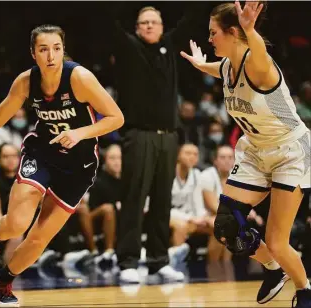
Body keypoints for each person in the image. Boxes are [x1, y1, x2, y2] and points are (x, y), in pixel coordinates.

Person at [0, 24, 124, 307]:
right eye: (43, 49)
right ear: (33, 53)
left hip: (79, 165)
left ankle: (3, 281)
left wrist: (80, 133)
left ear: (63, 51)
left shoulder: (80, 78)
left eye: (56, 48)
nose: (51, 55)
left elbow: (116, 117)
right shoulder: (25, 81)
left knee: (39, 237)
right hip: (43, 153)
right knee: (19, 221)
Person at [181, 1, 311, 306]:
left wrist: (250, 30)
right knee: (226, 224)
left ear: (233, 33)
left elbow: (259, 55)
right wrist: (202, 66)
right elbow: (220, 69)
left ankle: (305, 289)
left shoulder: (258, 65)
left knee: (278, 241)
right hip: (256, 150)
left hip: (290, 150)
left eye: (214, 33)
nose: (209, 39)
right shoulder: (227, 66)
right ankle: (273, 269)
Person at [107, 3, 214, 283]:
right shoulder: (129, 48)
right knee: (134, 199)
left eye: (154, 21)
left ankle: (158, 260)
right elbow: (107, 21)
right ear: (136, 28)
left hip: (169, 136)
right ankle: (128, 261)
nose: (150, 26)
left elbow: (192, 18)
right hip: (138, 135)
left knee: (162, 201)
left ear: (163, 27)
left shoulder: (170, 46)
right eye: (144, 22)